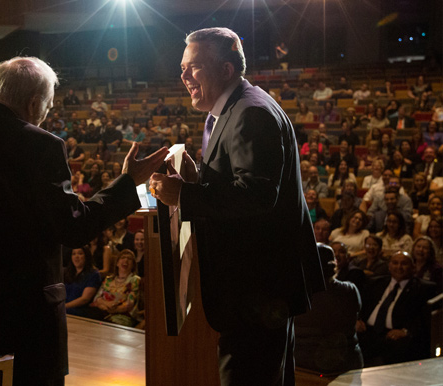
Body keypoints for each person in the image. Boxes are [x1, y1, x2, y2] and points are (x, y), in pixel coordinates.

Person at [0, 56, 167, 386]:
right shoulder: (39, 145)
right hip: (17, 325)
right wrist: (126, 183)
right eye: (47, 105)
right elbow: (74, 227)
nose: (46, 114)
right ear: (34, 102)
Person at [149, 28, 324, 386]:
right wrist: (201, 177)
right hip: (256, 291)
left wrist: (183, 196)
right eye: (183, 68)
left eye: (193, 68)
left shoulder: (250, 113)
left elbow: (257, 195)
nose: (183, 77)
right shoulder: (232, 106)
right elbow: (243, 182)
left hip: (257, 293)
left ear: (226, 70)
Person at [357, 251, 437, 366]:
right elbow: (360, 304)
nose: (399, 267)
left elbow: (424, 317)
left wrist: (405, 331)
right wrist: (358, 319)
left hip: (394, 335)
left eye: (404, 264)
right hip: (368, 331)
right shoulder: (375, 282)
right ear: (389, 266)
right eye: (395, 263)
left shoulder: (423, 288)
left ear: (413, 267)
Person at [294, 244, 364, 374]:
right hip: (347, 362)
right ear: (334, 265)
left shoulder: (297, 293)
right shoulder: (350, 289)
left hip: (305, 364)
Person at [89, 249, 141, 327]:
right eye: (123, 257)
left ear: (133, 265)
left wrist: (113, 310)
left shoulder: (135, 280)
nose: (126, 260)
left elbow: (129, 304)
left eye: (129, 259)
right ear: (117, 263)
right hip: (102, 312)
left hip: (122, 316)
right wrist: (108, 304)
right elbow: (97, 298)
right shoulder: (108, 279)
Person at [64, 247, 101, 317]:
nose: (76, 257)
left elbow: (85, 299)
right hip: (64, 310)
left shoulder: (93, 274)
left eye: (80, 253)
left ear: (86, 256)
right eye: (73, 254)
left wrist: (64, 307)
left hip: (79, 311)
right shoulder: (68, 272)